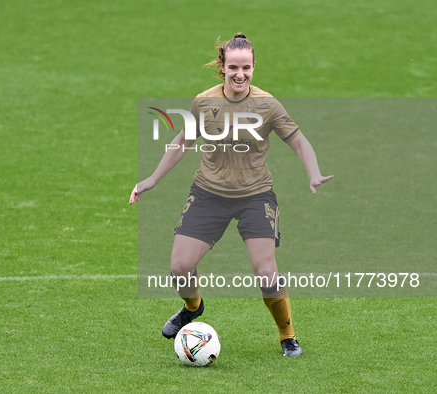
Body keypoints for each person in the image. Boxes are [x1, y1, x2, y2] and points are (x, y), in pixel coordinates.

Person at [129, 33, 333, 356]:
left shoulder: (267, 104)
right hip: (208, 193)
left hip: (255, 196)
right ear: (222, 66)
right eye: (234, 67)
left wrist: (313, 171)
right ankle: (193, 308)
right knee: (180, 266)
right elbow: (183, 141)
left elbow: (298, 140)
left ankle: (287, 334)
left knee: (266, 271)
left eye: (247, 68)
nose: (240, 74)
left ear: (254, 67)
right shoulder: (204, 101)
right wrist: (152, 179)